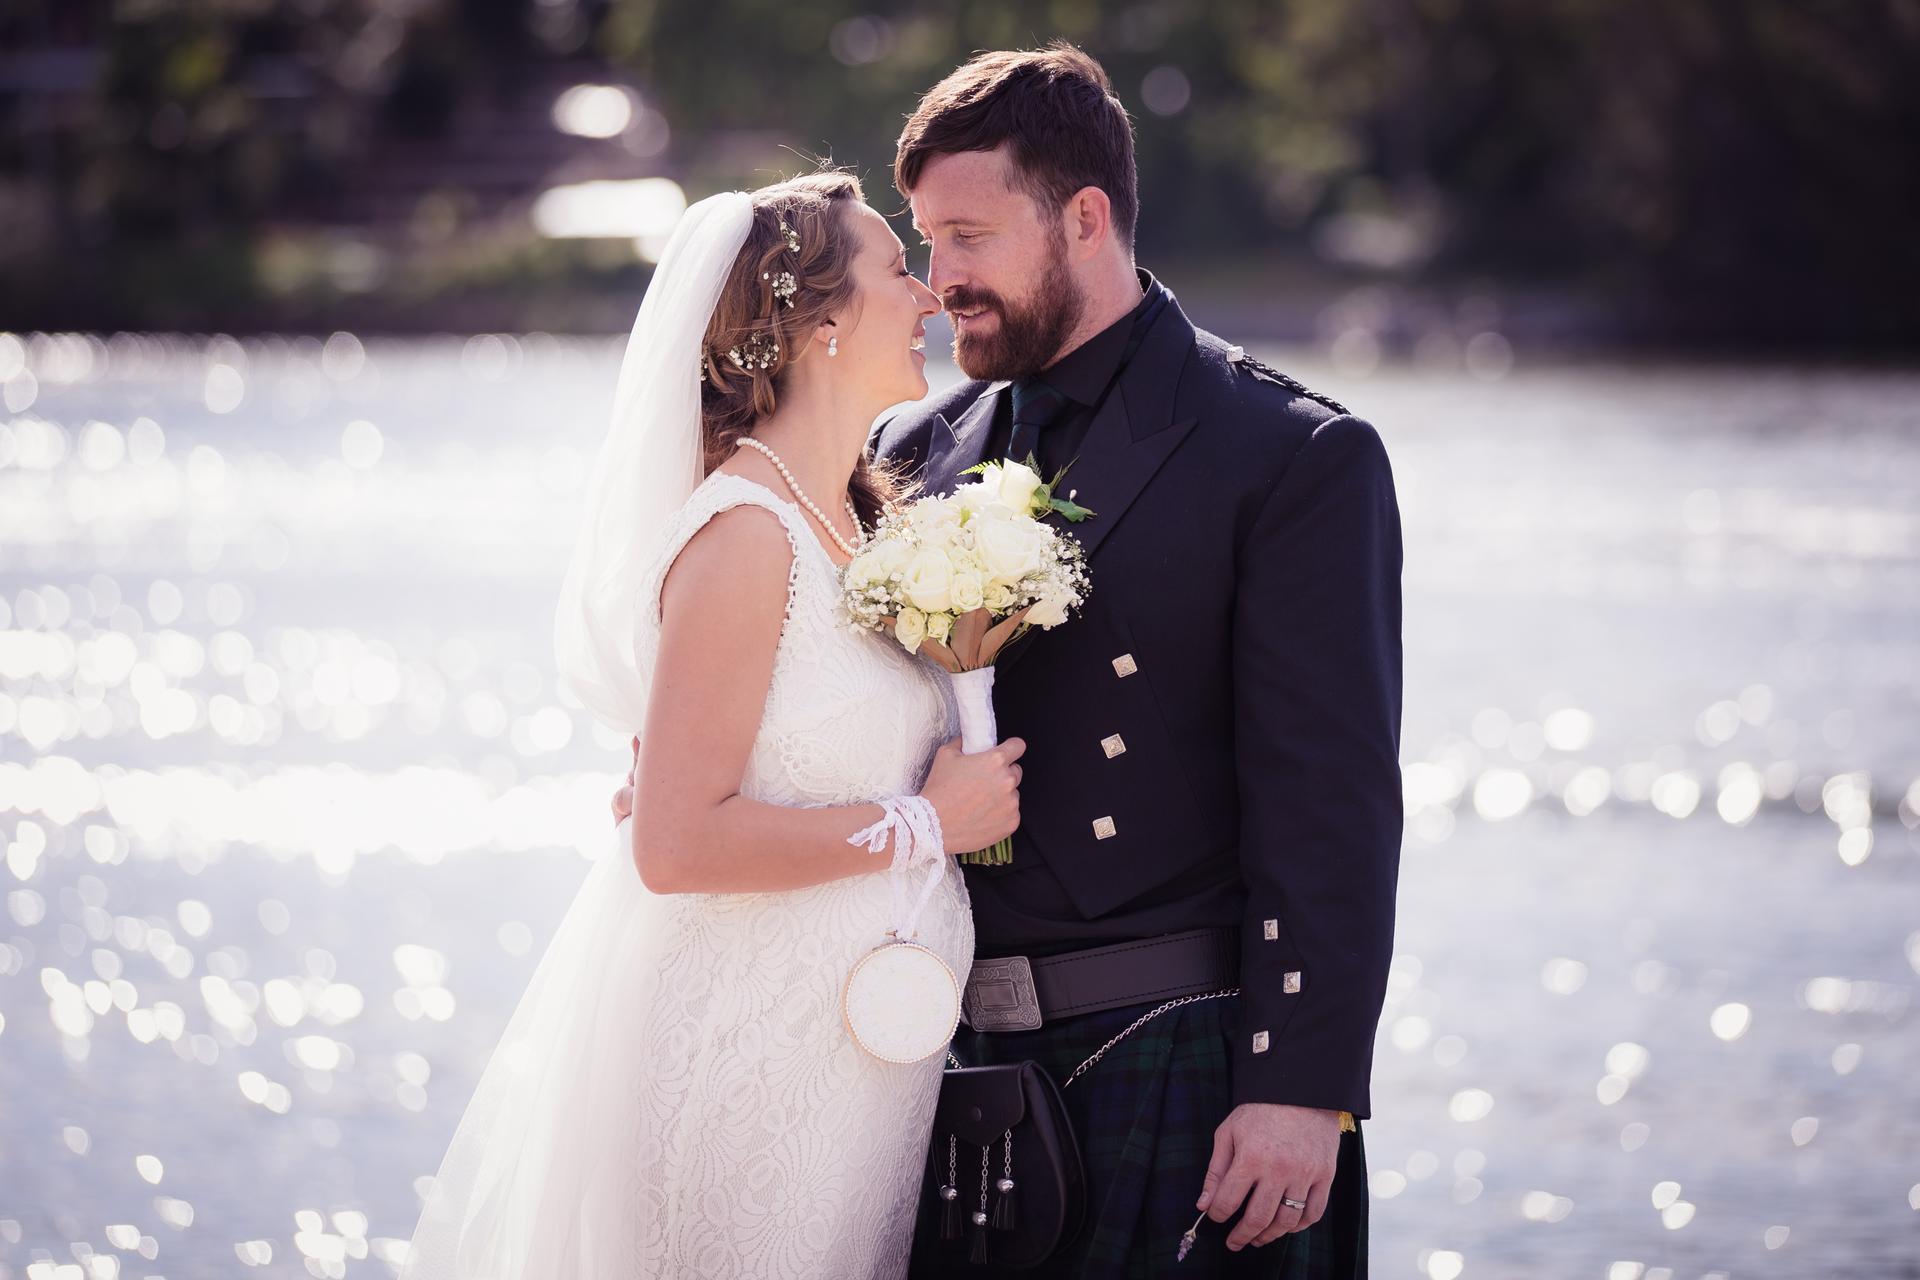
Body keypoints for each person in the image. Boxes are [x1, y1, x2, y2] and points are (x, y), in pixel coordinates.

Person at [400, 172, 1025, 1279]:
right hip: (743, 1066)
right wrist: (923, 824)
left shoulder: (860, 521)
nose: (928, 297)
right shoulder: (746, 534)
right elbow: (675, 841)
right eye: (897, 269)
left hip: (848, 1074)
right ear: (821, 320)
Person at [873, 45, 1404, 1277]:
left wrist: (1302, 1085)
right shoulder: (910, 450)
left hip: (1194, 1058)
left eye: (968, 235)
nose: (940, 277)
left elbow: (1331, 801)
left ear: (1086, 217)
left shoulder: (1285, 453)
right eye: (924, 239)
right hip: (947, 1068)